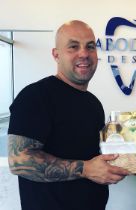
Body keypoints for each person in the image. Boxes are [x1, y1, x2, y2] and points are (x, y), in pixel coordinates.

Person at [8, 20, 129, 210]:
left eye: (90, 47)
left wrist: (134, 160)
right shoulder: (35, 96)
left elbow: (92, 158)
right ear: (56, 54)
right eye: (73, 47)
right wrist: (85, 169)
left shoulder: (93, 103)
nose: (84, 54)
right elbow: (19, 161)